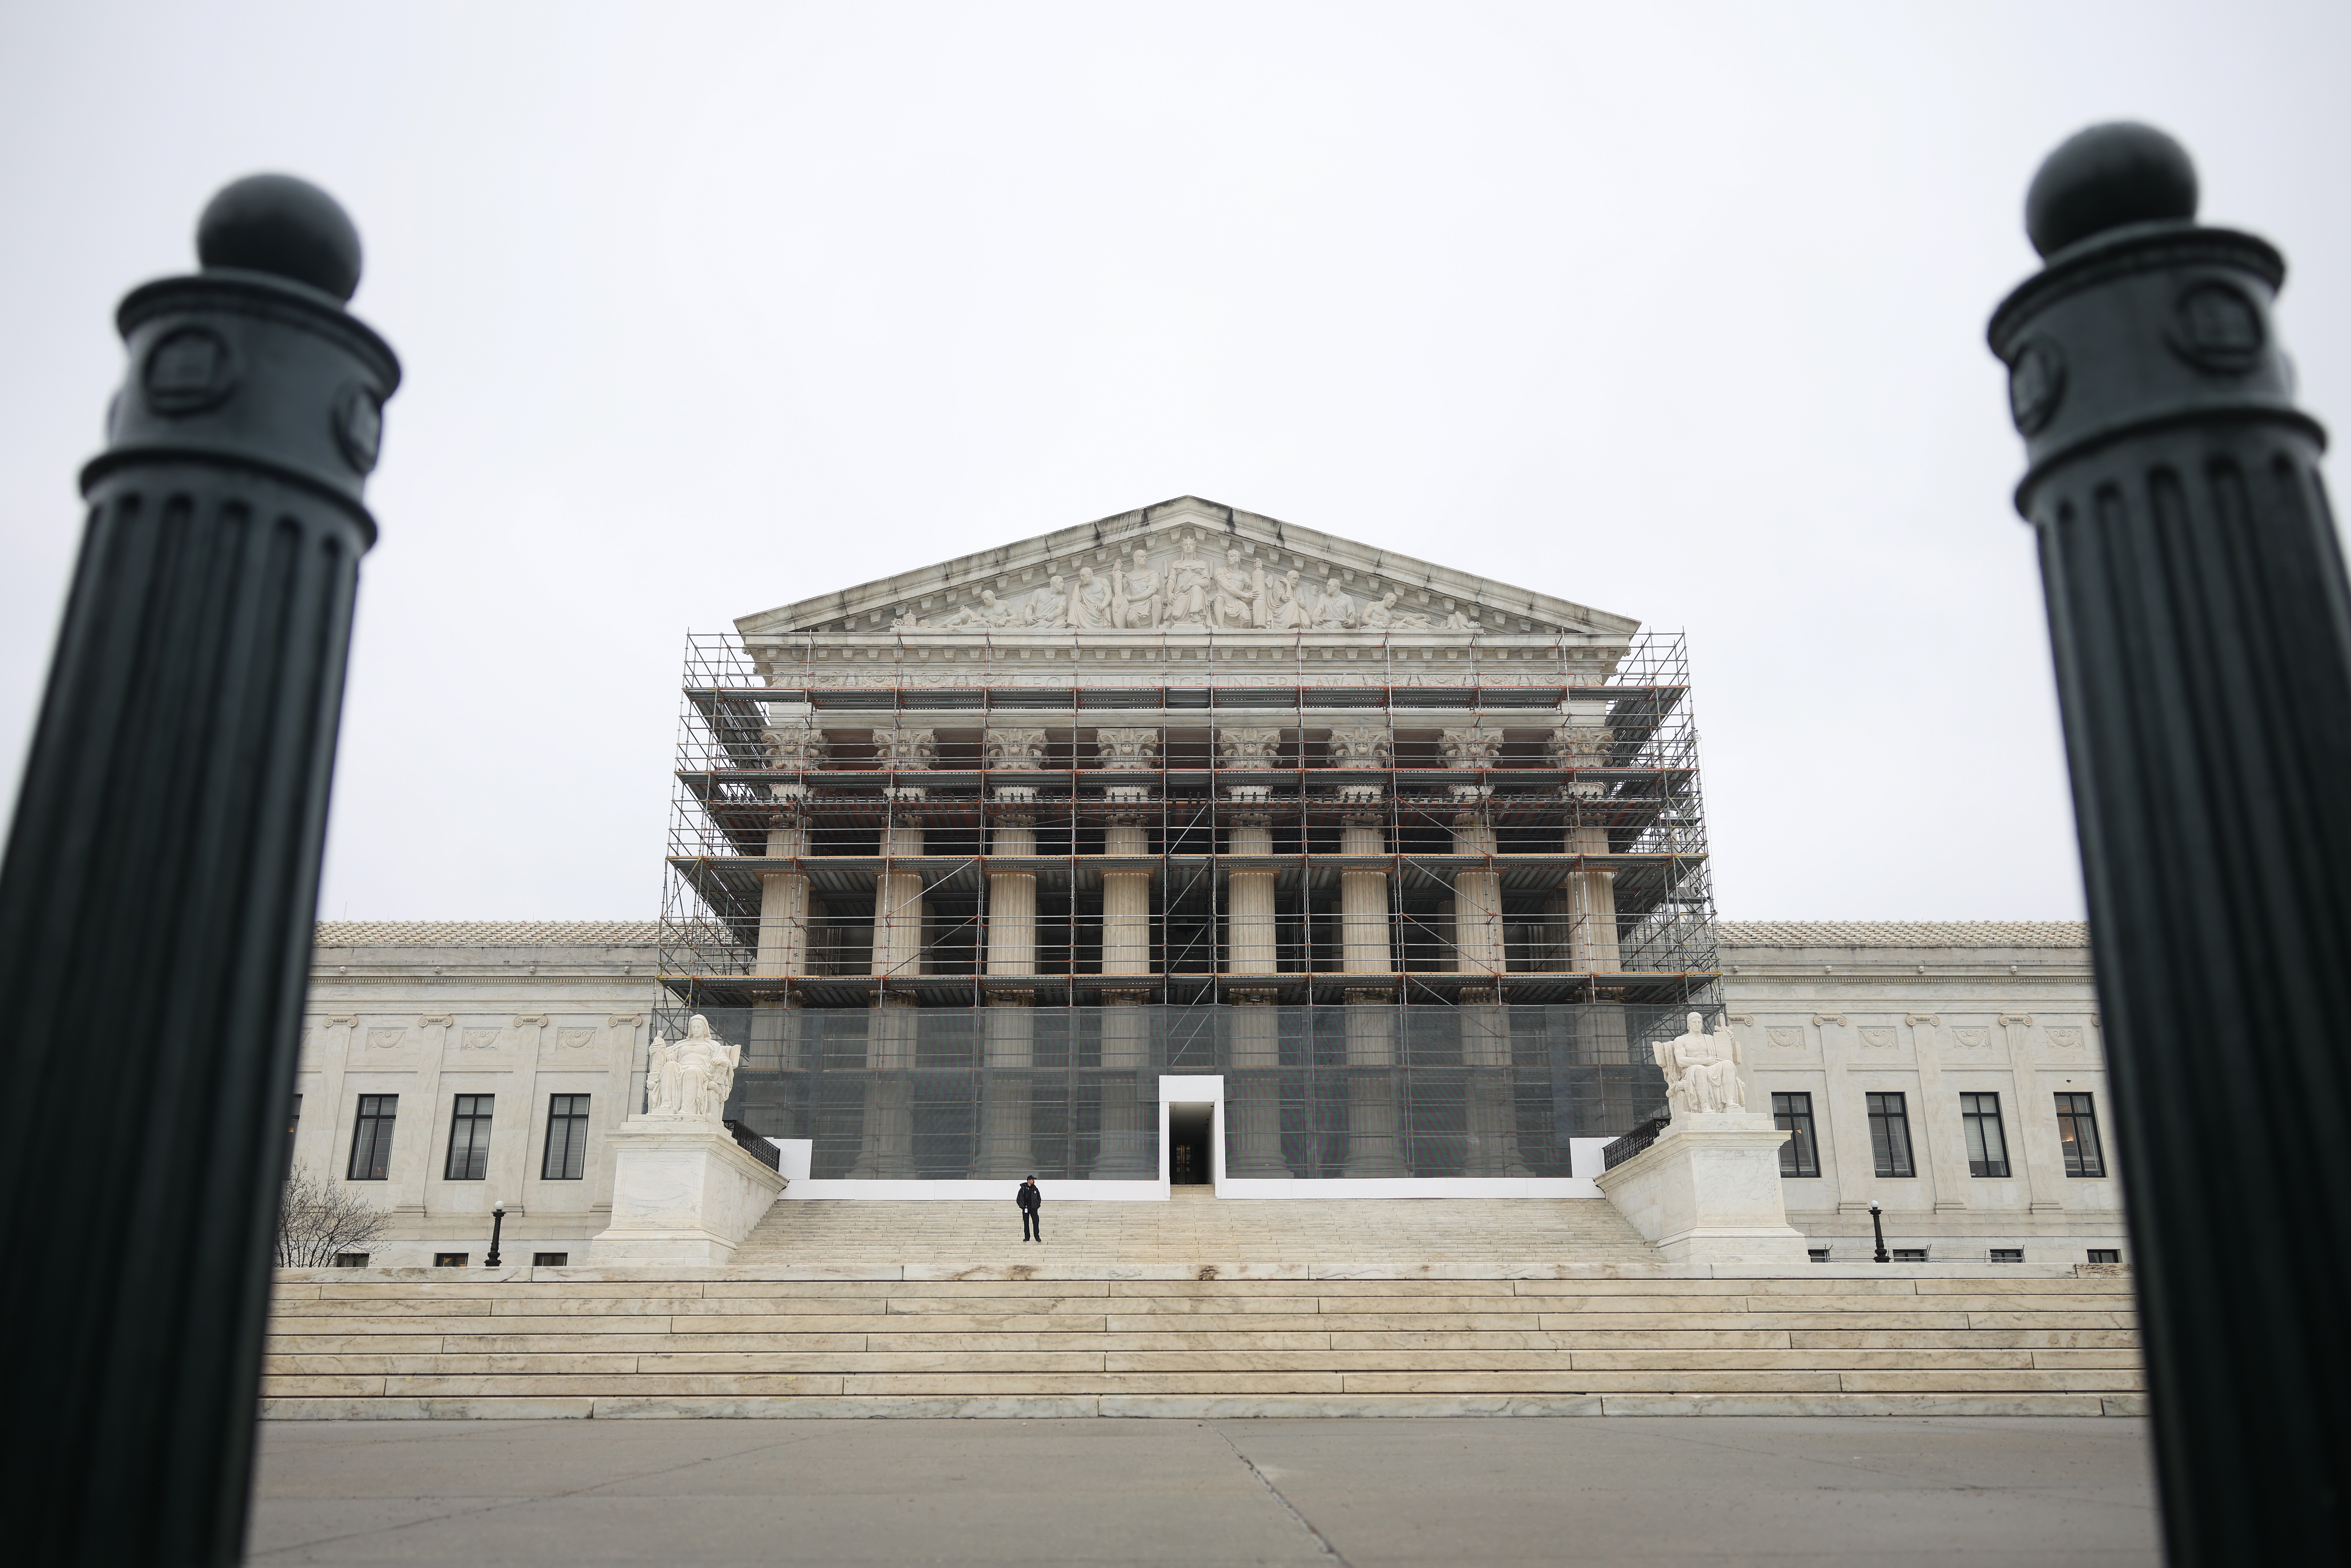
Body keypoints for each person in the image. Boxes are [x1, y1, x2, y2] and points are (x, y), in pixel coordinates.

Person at [1016, 1175, 1043, 1243]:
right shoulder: (1023, 1189)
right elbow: (1019, 1198)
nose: (1034, 1181)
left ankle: (1037, 1237)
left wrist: (1037, 1206)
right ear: (1029, 1180)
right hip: (1026, 1208)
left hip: (1034, 1208)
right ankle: (1027, 1237)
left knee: (1036, 1222)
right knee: (1026, 1223)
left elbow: (1039, 1198)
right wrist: (1022, 1206)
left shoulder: (1035, 1189)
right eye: (1033, 1180)